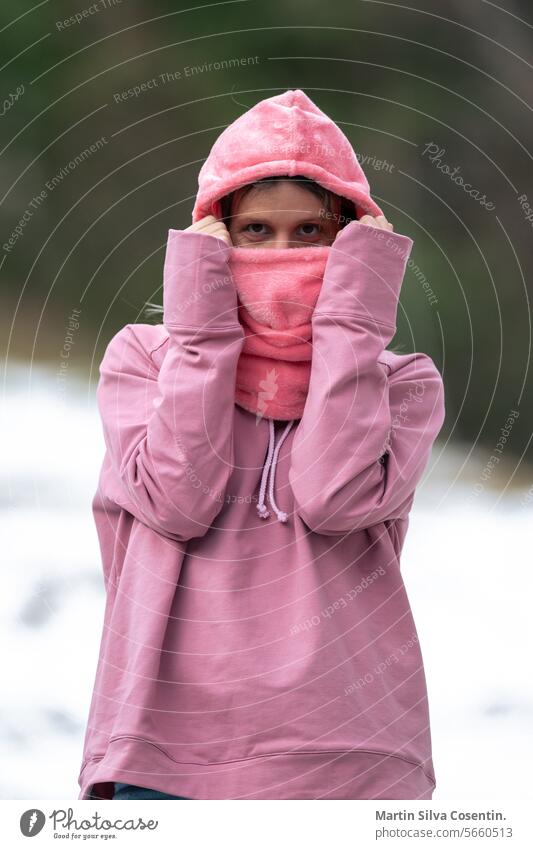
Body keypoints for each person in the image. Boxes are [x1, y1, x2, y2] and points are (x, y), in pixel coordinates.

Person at [79, 89, 445, 801]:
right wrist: (204, 329)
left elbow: (331, 496)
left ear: (350, 242)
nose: (283, 255)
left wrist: (353, 322)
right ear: (215, 236)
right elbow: (175, 498)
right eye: (255, 231)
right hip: (165, 753)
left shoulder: (402, 383)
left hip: (346, 755)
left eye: (310, 232)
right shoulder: (146, 360)